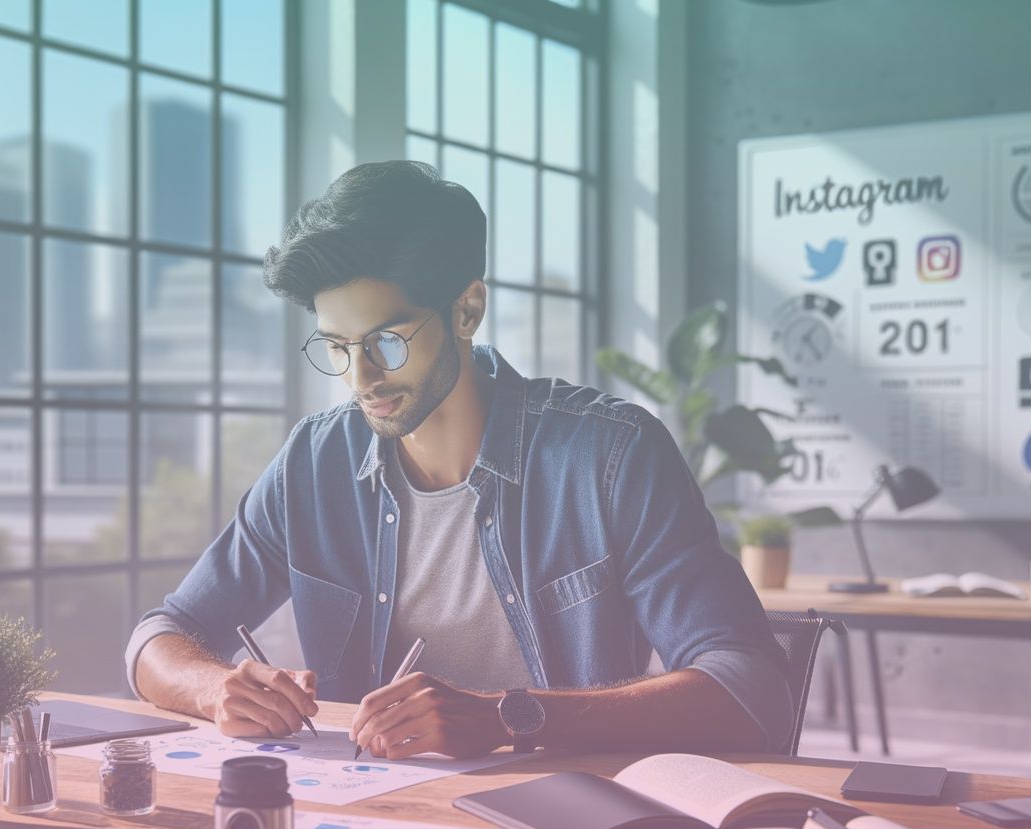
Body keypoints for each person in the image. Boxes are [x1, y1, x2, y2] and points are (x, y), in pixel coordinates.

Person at [125, 160, 790, 763]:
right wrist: (217, 691)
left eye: (387, 341)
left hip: (567, 826)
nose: (361, 378)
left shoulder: (609, 457)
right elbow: (161, 636)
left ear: (467, 309)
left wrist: (511, 717)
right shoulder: (314, 462)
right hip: (375, 821)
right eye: (336, 346)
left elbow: (749, 688)